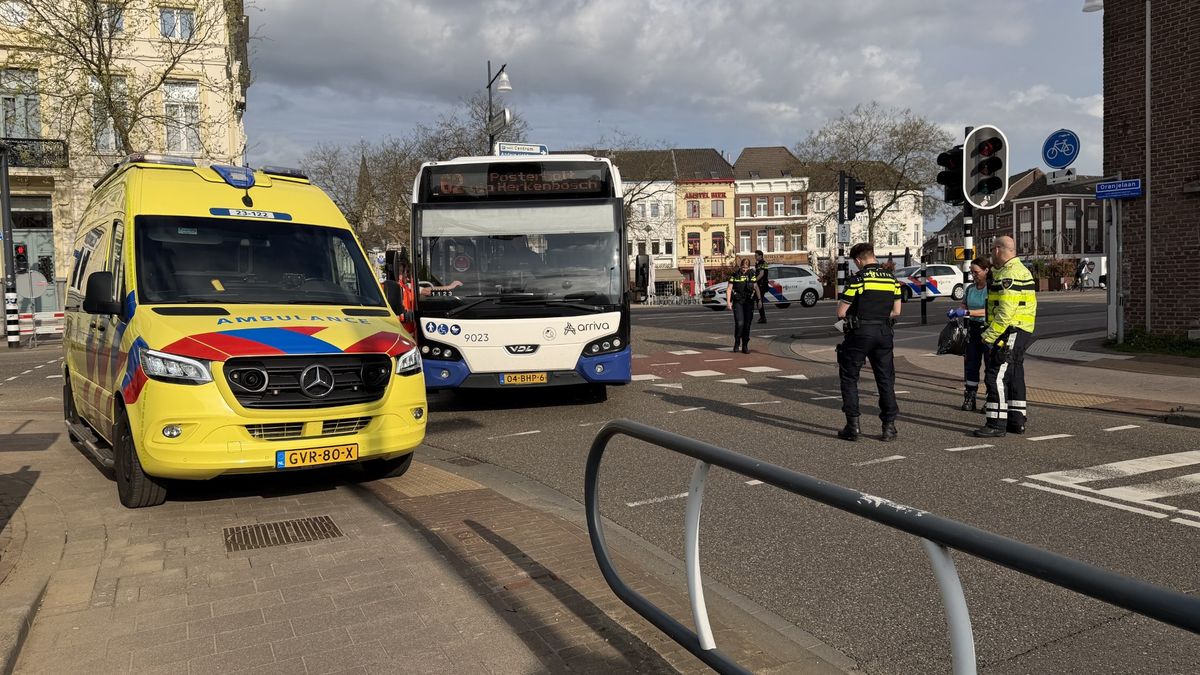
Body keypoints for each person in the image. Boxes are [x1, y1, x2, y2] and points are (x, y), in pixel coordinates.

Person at [836, 242, 902, 442]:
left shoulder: (858, 279)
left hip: (860, 333)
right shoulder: (891, 279)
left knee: (849, 377)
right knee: (885, 379)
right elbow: (897, 311)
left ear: (858, 260)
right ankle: (889, 427)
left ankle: (853, 426)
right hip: (884, 332)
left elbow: (841, 312)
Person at [974, 235, 1037, 438]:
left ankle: (996, 423)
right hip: (1021, 329)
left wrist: (989, 336)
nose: (991, 254)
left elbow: (1005, 311)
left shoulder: (1009, 275)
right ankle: (1016, 420)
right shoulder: (1018, 270)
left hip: (1010, 330)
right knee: (1014, 373)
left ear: (998, 250)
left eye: (992, 250)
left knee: (995, 375)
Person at [946, 257, 992, 411]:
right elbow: (964, 304)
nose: (973, 275)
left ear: (986, 270)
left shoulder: (991, 289)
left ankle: (991, 398)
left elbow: (989, 311)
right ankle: (970, 396)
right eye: (972, 272)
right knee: (971, 364)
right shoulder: (970, 289)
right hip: (973, 329)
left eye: (976, 272)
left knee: (990, 366)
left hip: (988, 330)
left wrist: (967, 312)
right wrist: (956, 311)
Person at [727, 258, 756, 353]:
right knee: (740, 323)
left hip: (749, 301)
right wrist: (728, 302)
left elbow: (756, 287)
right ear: (740, 266)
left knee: (747, 324)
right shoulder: (735, 275)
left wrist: (759, 300)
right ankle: (737, 341)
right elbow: (729, 289)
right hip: (738, 301)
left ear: (749, 267)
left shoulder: (752, 274)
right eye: (743, 267)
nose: (744, 269)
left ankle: (745, 345)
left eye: (746, 268)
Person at [754, 250, 769, 323]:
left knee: (759, 300)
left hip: (761, 285)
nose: (755, 257)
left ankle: (763, 318)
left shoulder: (762, 263)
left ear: (761, 256)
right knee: (758, 300)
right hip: (761, 284)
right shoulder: (760, 263)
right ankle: (762, 317)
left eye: (756, 255)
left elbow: (761, 274)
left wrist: (754, 280)